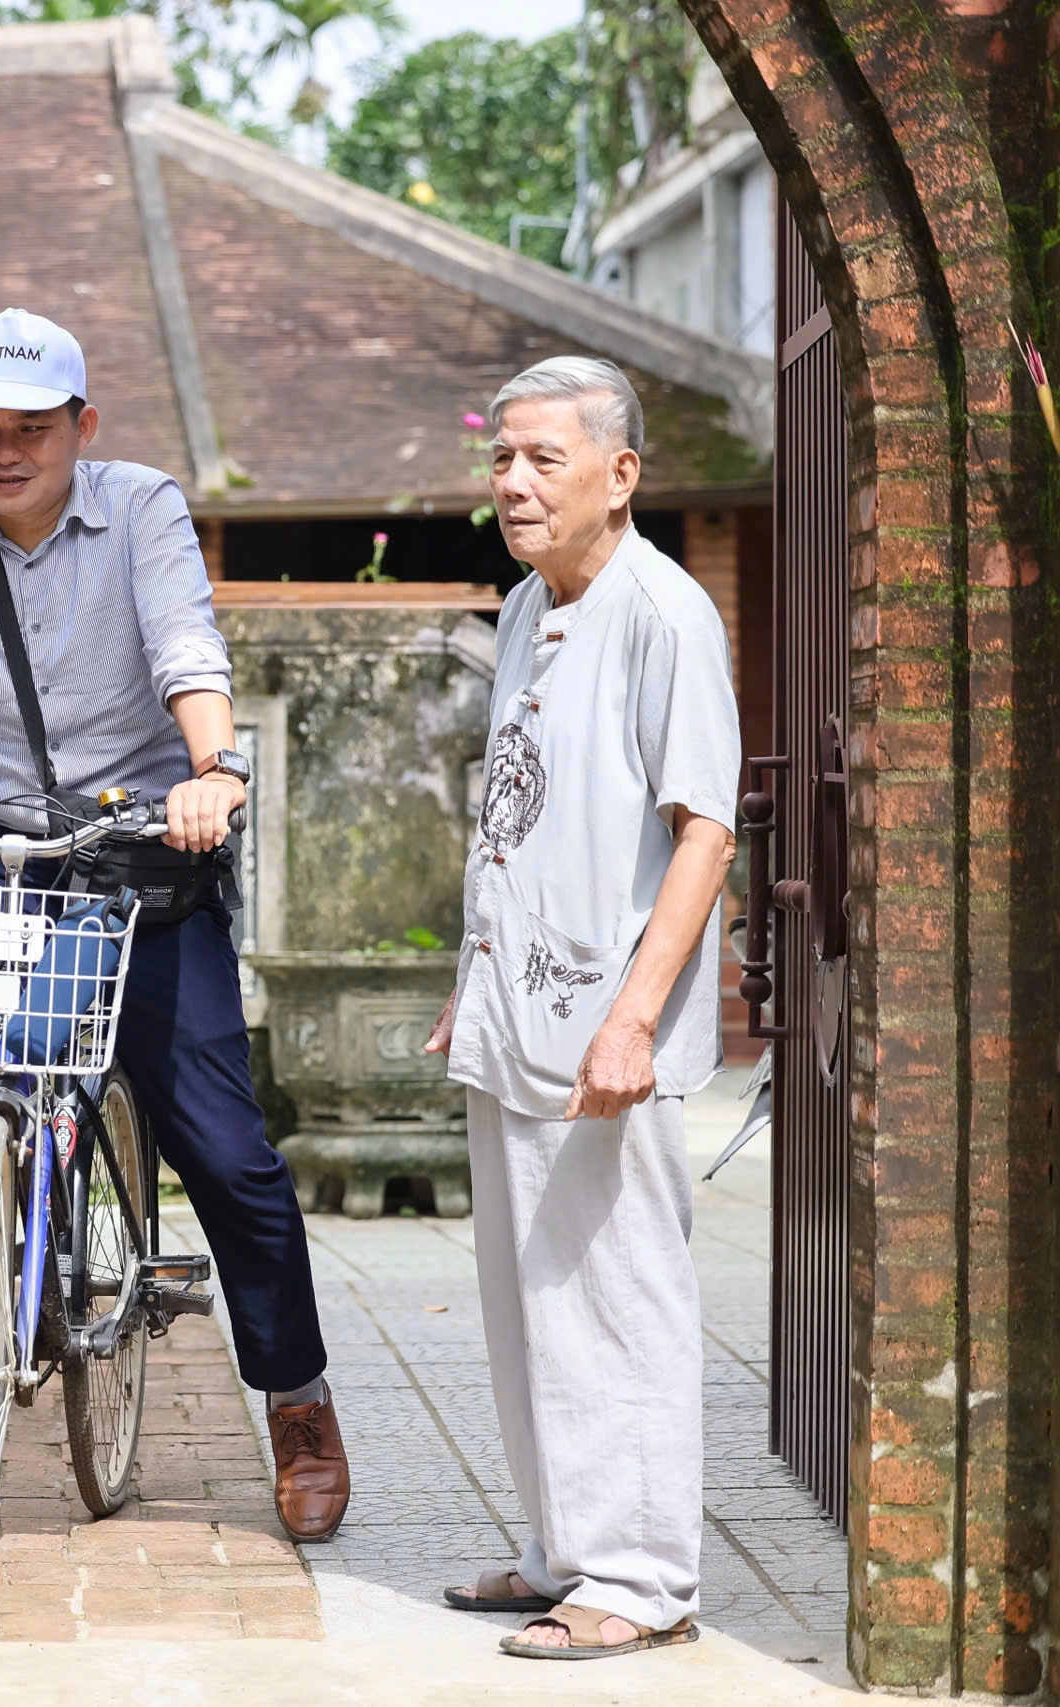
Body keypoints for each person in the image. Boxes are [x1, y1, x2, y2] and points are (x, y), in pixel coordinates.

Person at [0, 308, 351, 1544]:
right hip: (3, 860)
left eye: (29, 431)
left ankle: (296, 1396)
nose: (3, 452)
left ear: (79, 429)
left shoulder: (139, 506)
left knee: (222, 1147)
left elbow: (182, 641)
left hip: (144, 853)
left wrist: (211, 769)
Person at [423, 356, 738, 1659]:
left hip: (607, 1033)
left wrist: (632, 1018)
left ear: (620, 473)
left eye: (543, 457)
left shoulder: (665, 613)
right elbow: (516, 818)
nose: (511, 480)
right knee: (529, 1294)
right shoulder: (521, 610)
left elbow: (706, 829)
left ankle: (641, 1578)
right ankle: (565, 1551)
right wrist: (469, 984)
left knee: (620, 1301)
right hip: (518, 1020)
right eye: (502, 456)